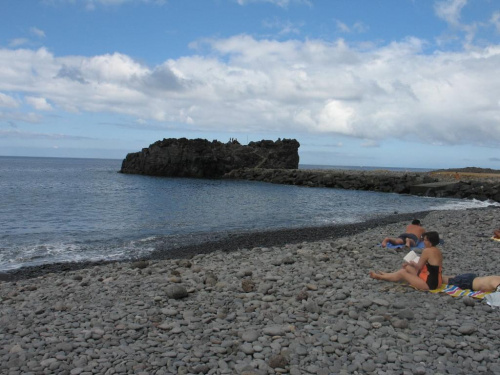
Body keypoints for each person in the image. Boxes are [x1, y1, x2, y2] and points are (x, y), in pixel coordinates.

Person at [370, 231, 443, 290]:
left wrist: (411, 262)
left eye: (425, 240)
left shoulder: (427, 251)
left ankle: (381, 277)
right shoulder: (437, 250)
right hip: (437, 281)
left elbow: (419, 267)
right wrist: (409, 265)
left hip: (429, 284)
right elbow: (430, 267)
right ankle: (386, 275)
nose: (423, 241)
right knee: (407, 268)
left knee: (403, 272)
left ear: (430, 242)